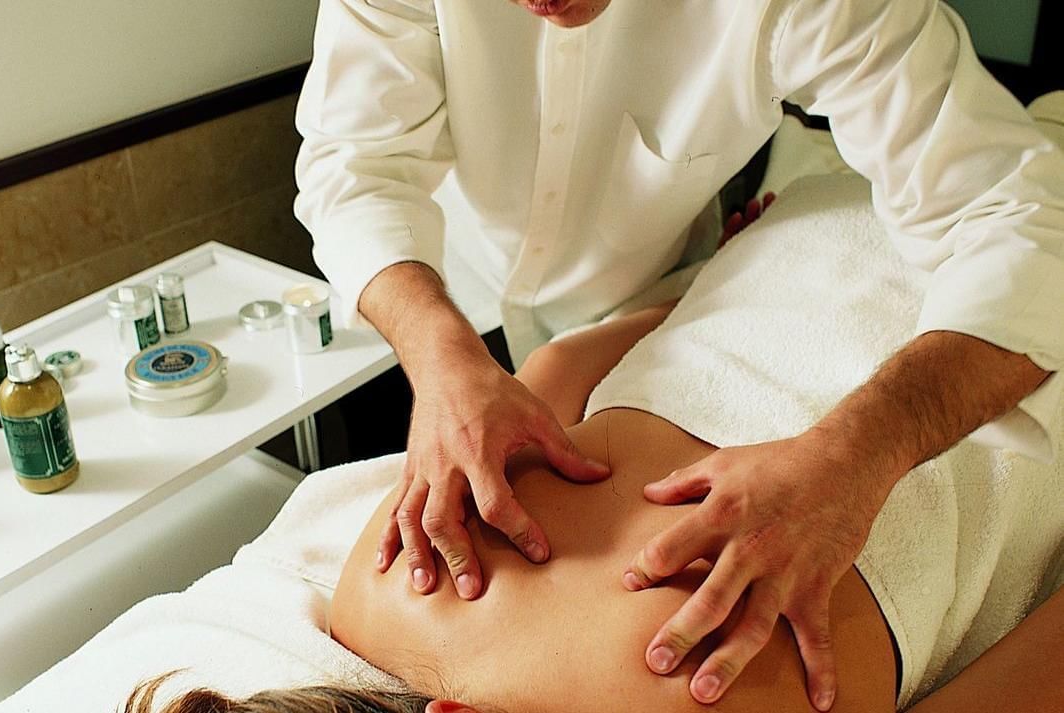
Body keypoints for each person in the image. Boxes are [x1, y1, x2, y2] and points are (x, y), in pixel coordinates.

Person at [294, 0, 1063, 708]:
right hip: (785, 265)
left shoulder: (379, 592)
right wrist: (444, 357)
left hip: (797, 271)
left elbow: (1021, 224)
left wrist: (855, 453)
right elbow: (353, 165)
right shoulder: (374, 598)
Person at [125, 175, 1062, 712]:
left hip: (1000, 336)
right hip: (819, 234)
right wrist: (719, 280)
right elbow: (564, 368)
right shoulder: (381, 582)